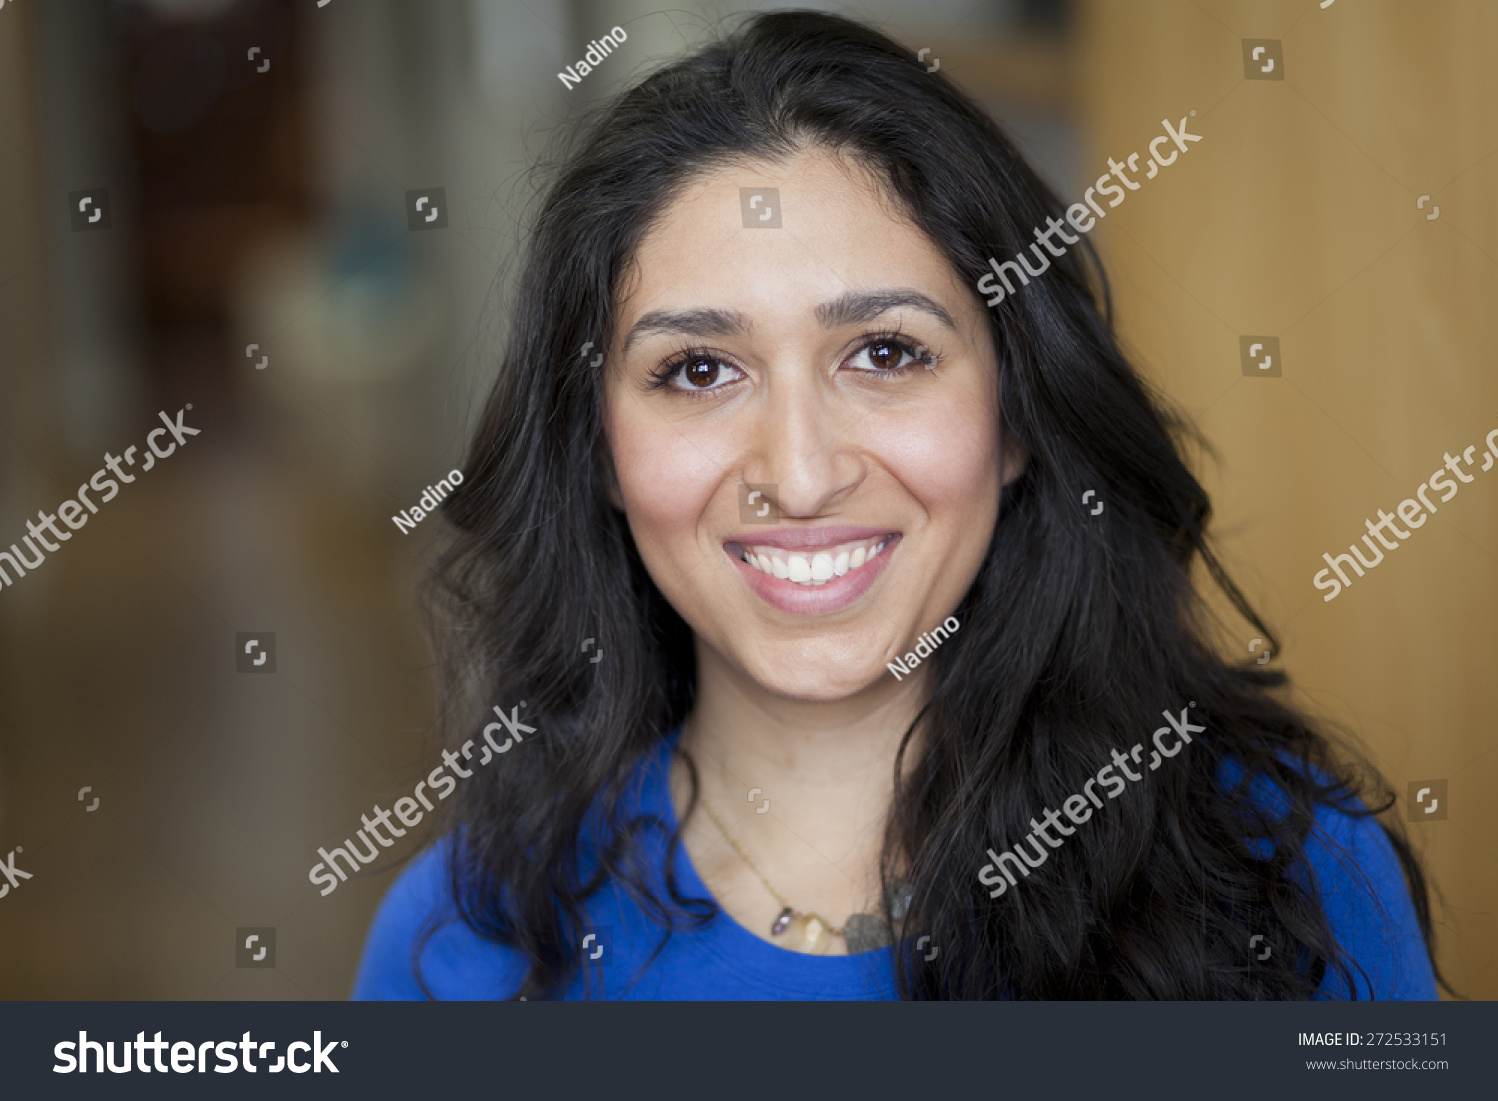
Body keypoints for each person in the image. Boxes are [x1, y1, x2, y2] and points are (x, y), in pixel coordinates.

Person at [352, 10, 1442, 1000]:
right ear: (596, 448)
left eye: (885, 352)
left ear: (1018, 412)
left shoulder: (1283, 868)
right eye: (697, 370)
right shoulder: (463, 942)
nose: (801, 471)